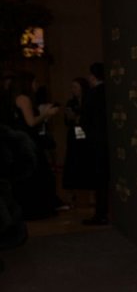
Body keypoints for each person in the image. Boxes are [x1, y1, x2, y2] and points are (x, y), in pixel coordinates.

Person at [3, 71, 62, 220]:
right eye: (35, 82)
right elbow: (31, 122)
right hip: (27, 142)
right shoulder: (24, 98)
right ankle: (37, 209)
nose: (37, 85)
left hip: (20, 142)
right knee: (38, 175)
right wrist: (46, 114)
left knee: (30, 176)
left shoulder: (15, 98)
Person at [81, 63, 109, 225]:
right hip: (109, 141)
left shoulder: (91, 95)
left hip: (96, 142)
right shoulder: (110, 92)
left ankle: (101, 213)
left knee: (100, 179)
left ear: (93, 76)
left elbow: (85, 120)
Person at [61, 77, 93, 202]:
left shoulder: (89, 101)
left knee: (88, 163)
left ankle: (91, 194)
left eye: (75, 87)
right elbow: (68, 121)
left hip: (87, 135)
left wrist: (79, 119)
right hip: (74, 135)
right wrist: (71, 118)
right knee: (72, 162)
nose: (73, 90)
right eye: (72, 87)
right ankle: (70, 194)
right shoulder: (71, 102)